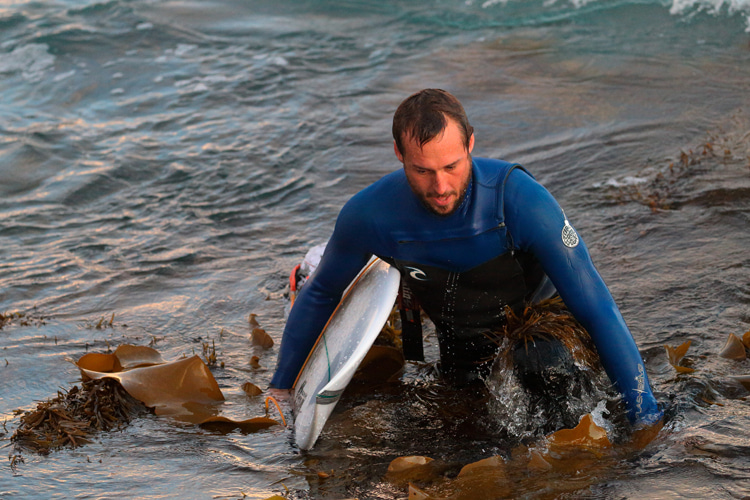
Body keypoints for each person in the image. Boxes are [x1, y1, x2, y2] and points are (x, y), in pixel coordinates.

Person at [270, 89, 662, 428]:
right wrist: (281, 388)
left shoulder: (521, 201)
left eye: (451, 167)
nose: (440, 187)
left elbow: (597, 308)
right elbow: (323, 293)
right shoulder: (370, 215)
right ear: (398, 154)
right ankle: (310, 266)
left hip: (539, 327)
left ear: (470, 144)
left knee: (544, 370)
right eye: (422, 171)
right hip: (458, 340)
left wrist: (646, 415)